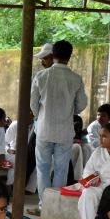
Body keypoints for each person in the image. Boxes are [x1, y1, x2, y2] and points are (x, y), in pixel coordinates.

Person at [30, 40, 89, 209]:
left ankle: (44, 204)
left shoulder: (41, 76)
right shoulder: (76, 78)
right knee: (61, 169)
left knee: (42, 168)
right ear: (69, 56)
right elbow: (81, 104)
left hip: (43, 129)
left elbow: (33, 104)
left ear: (52, 55)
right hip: (64, 131)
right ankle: (55, 205)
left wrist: (40, 115)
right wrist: (69, 112)